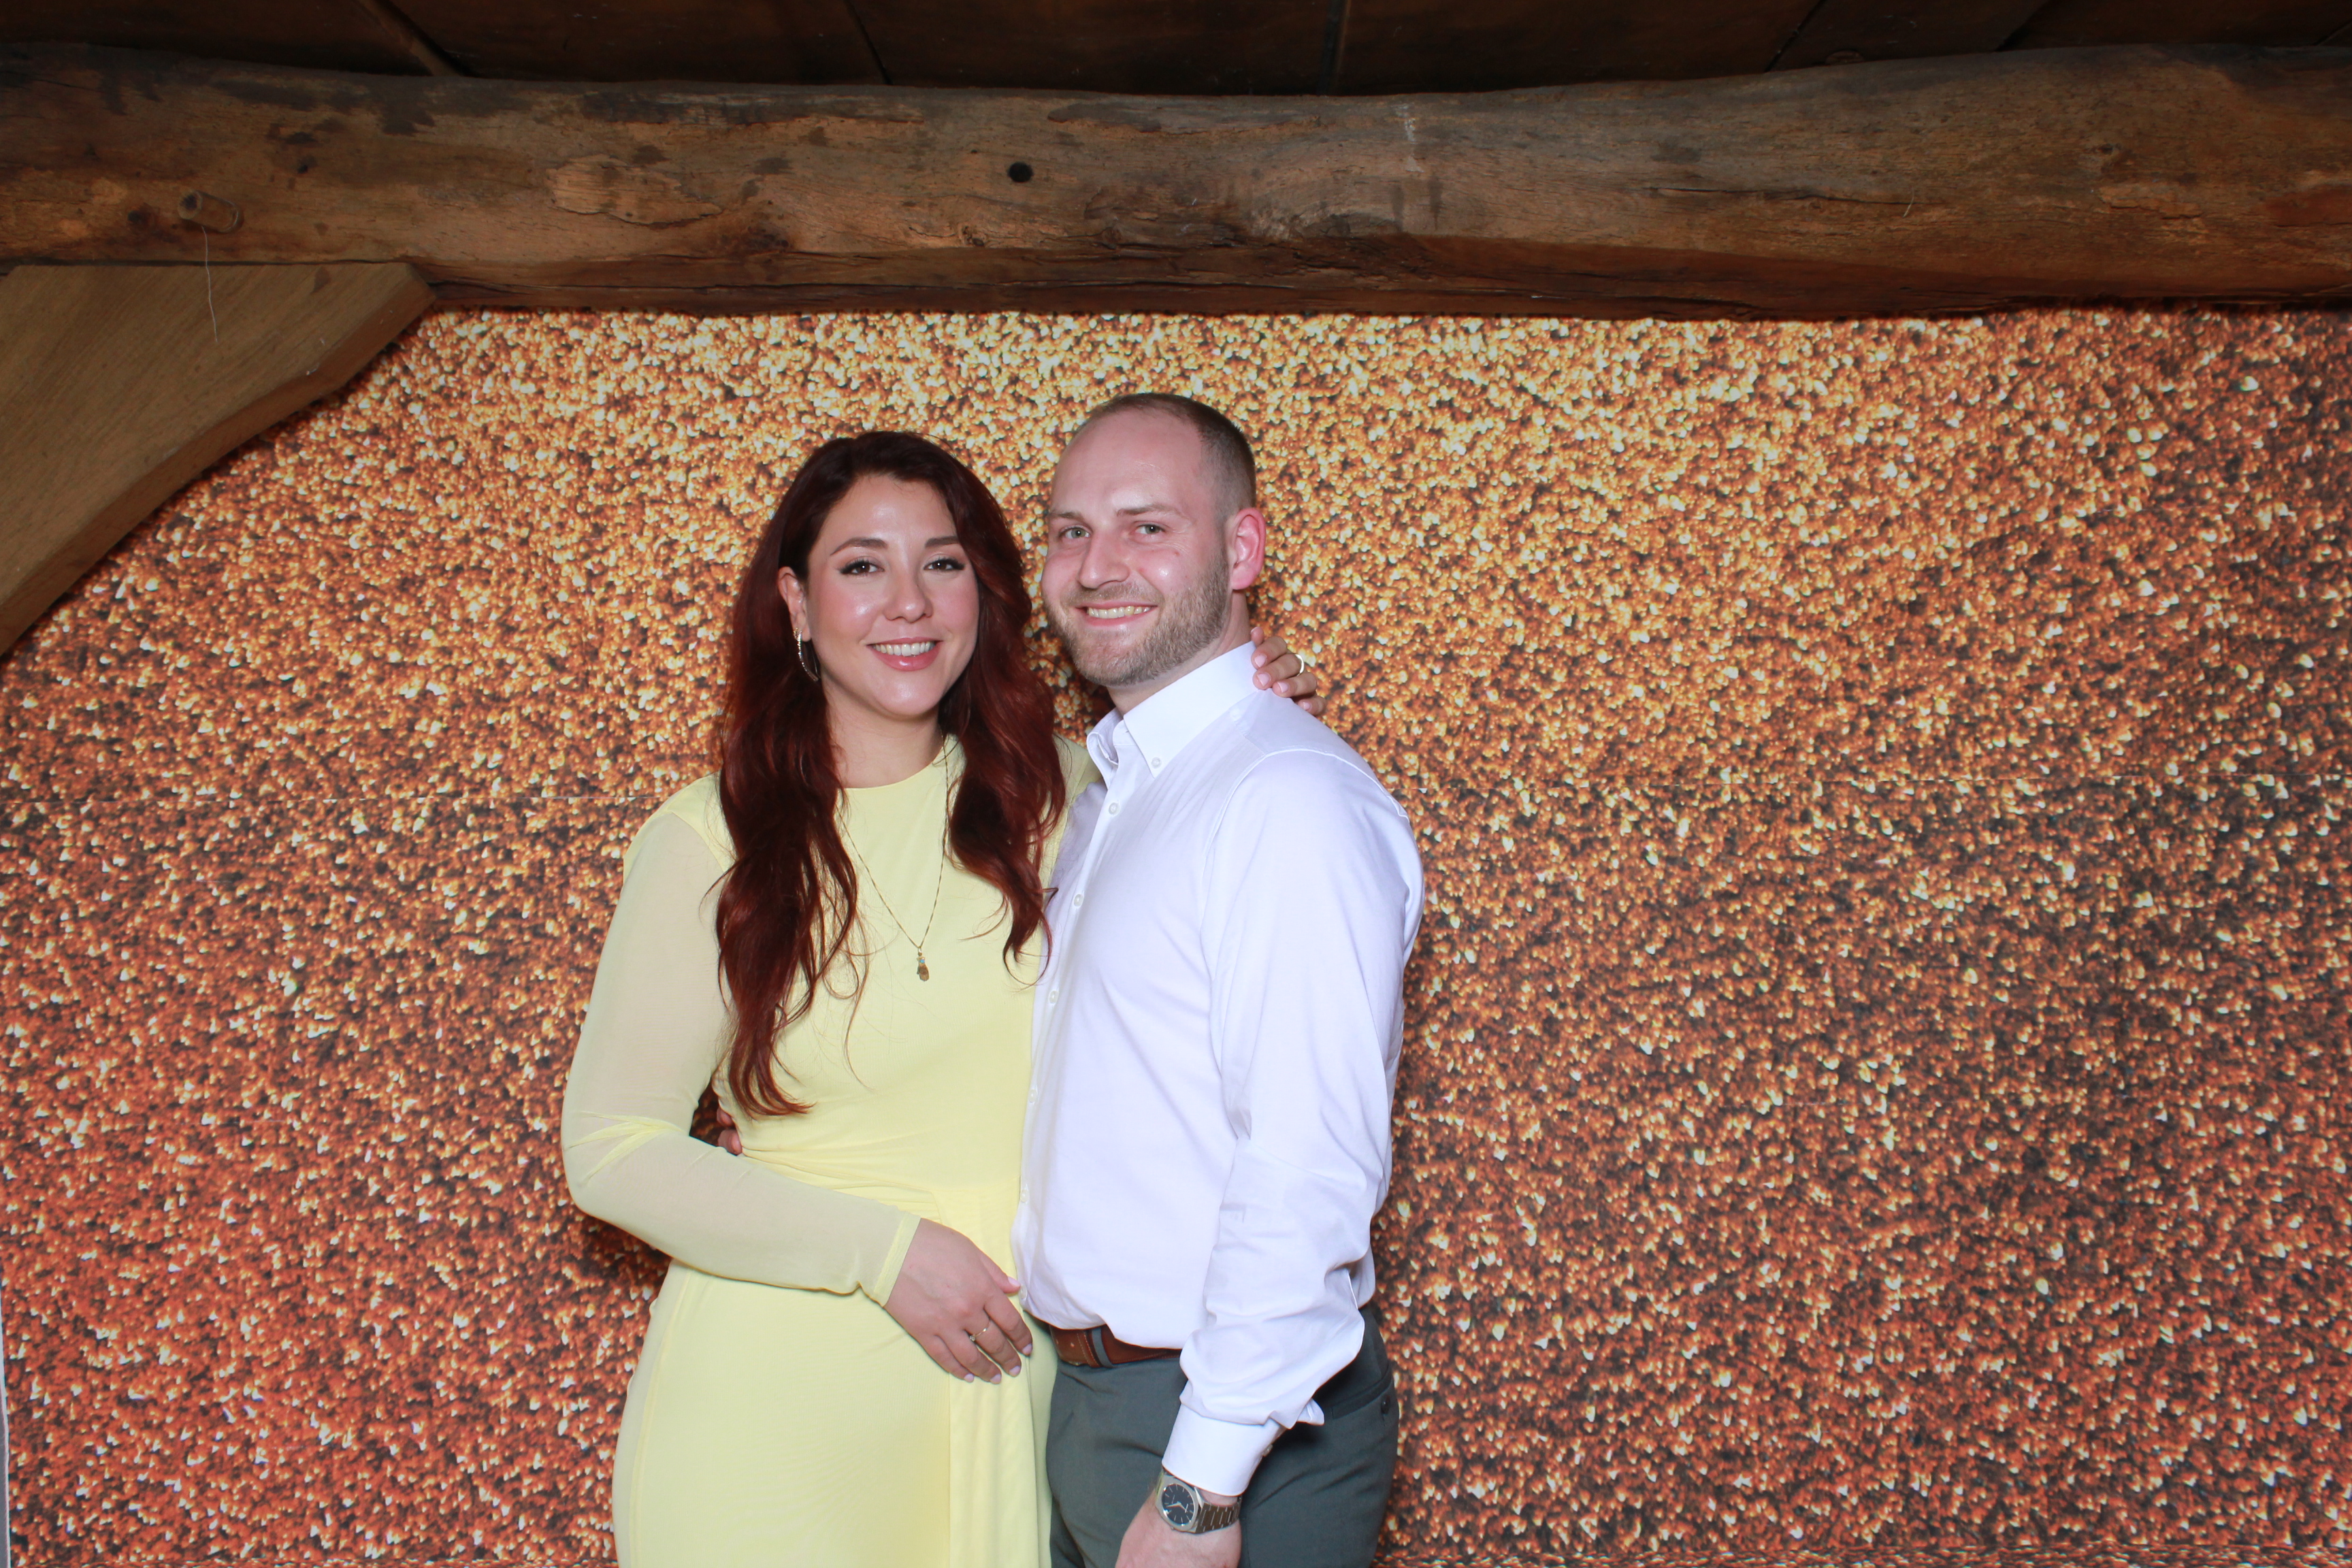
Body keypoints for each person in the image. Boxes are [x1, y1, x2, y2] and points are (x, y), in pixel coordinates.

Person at [560, 430, 1318, 1568]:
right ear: (796, 602)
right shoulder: (711, 838)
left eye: (944, 563)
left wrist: (1251, 699)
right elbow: (611, 1149)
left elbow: (1244, 843)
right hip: (775, 1419)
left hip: (1013, 1403)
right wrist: (885, 1251)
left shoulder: (1081, 791)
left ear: (987, 594)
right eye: (862, 565)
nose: (908, 602)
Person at [1015, 395, 1424, 1568]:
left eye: (1147, 527)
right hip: (1098, 1402)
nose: (1098, 567)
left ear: (1242, 551)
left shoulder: (1283, 797)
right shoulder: (1120, 793)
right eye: (1071, 531)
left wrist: (1202, 1484)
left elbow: (1306, 1160)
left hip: (1223, 1429)